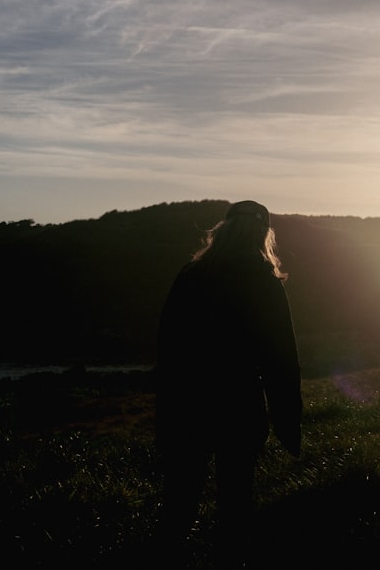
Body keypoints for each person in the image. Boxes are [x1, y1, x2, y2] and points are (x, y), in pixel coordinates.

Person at [156, 200, 303, 562]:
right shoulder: (263, 282)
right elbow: (280, 355)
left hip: (188, 402)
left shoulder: (190, 275)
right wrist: (287, 419)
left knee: (180, 497)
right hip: (239, 402)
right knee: (235, 500)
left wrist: (167, 406)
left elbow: (168, 343)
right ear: (263, 235)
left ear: (222, 230)